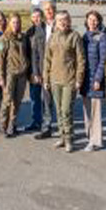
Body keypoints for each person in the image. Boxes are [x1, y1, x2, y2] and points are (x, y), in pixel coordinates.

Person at [43, 11, 85, 152]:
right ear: (56, 21)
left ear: (69, 21)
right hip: (55, 79)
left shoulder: (74, 37)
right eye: (59, 20)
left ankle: (69, 139)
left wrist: (79, 79)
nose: (62, 22)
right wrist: (46, 78)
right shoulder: (53, 37)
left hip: (69, 79)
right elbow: (47, 60)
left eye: (65, 19)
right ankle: (62, 136)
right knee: (59, 110)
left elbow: (81, 60)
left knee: (67, 110)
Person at [0, 13, 29, 138]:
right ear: (9, 24)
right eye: (13, 22)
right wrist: (1, 77)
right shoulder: (4, 39)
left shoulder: (23, 37)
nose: (16, 25)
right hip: (9, 74)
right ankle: (2, 126)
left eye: (18, 22)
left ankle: (12, 126)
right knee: (7, 101)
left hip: (22, 74)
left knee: (17, 102)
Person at [81, 10, 106, 152]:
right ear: (86, 21)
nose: (92, 22)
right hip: (85, 80)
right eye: (90, 19)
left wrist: (98, 78)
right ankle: (89, 136)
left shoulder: (102, 37)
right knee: (86, 110)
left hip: (96, 80)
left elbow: (103, 60)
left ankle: (96, 141)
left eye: (95, 19)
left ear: (99, 21)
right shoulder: (84, 36)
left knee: (95, 112)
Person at [35, 0, 56, 140]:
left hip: (58, 69)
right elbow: (35, 51)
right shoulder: (40, 27)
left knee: (60, 101)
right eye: (46, 9)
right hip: (44, 69)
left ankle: (66, 130)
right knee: (46, 100)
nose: (48, 11)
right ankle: (46, 127)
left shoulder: (60, 24)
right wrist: (36, 72)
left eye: (50, 9)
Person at [25, 8, 46, 132]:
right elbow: (29, 53)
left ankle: (46, 122)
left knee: (47, 98)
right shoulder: (29, 33)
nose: (36, 19)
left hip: (45, 69)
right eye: (34, 17)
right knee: (34, 97)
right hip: (33, 70)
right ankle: (36, 121)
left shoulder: (47, 30)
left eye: (38, 16)